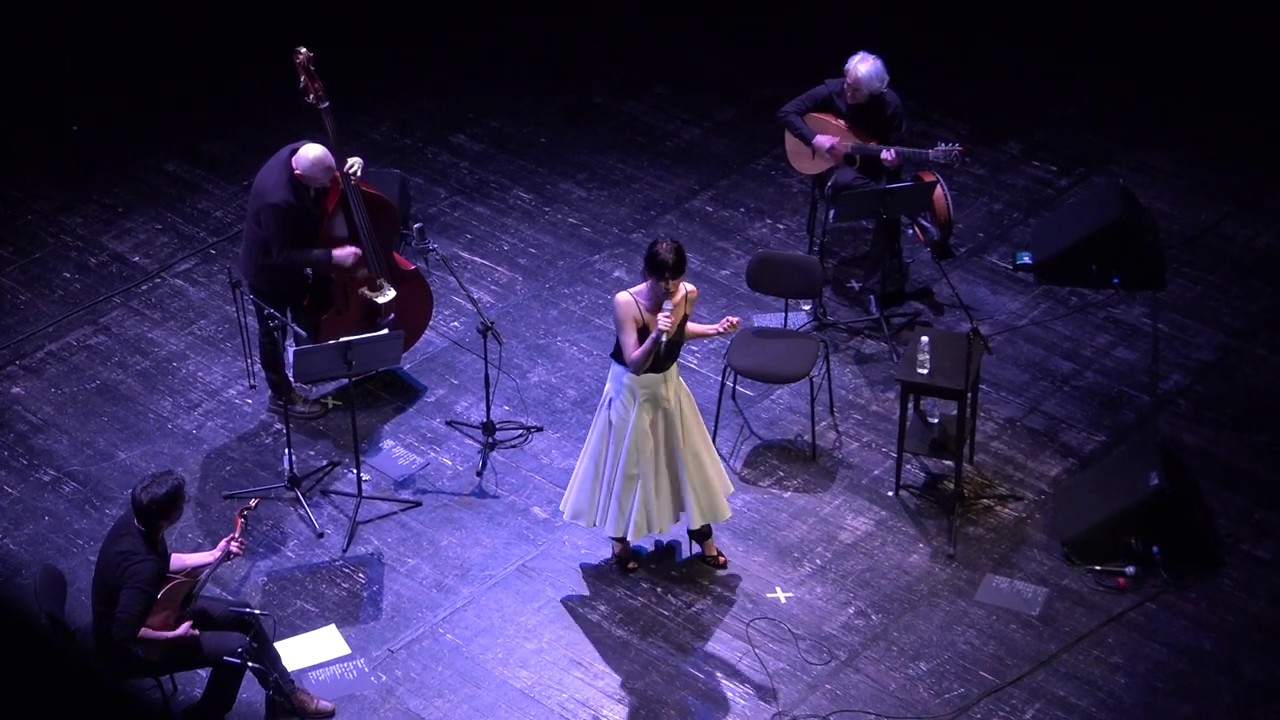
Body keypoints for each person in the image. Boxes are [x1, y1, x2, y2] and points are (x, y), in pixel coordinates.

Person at [90, 470, 337, 718]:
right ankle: (206, 714)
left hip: (153, 610)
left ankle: (286, 696)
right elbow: (122, 632)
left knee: (245, 614)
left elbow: (160, 562)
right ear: (171, 515)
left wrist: (212, 556)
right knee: (237, 649)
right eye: (183, 500)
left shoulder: (138, 520)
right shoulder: (143, 571)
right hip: (129, 651)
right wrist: (175, 636)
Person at [560, 236, 741, 573]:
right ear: (648, 273)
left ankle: (702, 534)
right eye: (662, 279)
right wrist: (657, 334)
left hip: (668, 387)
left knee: (687, 462)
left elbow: (680, 332)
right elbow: (634, 362)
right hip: (632, 391)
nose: (669, 286)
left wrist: (715, 330)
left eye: (675, 277)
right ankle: (619, 540)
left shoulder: (688, 293)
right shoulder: (626, 302)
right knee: (628, 467)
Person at [778, 50, 944, 300]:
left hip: (873, 174)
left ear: (873, 91)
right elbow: (786, 112)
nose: (848, 92)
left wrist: (891, 164)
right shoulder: (832, 90)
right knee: (881, 196)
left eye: (856, 90)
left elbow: (895, 156)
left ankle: (872, 290)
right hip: (835, 173)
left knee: (888, 212)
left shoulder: (890, 106)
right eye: (848, 84)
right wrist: (814, 139)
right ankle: (912, 213)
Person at [239, 141, 366, 420]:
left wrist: (352, 163)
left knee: (308, 313)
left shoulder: (306, 151)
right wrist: (332, 257)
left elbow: (329, 169)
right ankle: (281, 396)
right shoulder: (277, 200)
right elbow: (284, 256)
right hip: (269, 271)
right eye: (323, 183)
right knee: (272, 334)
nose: (328, 185)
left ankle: (308, 369)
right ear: (300, 177)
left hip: (298, 256)